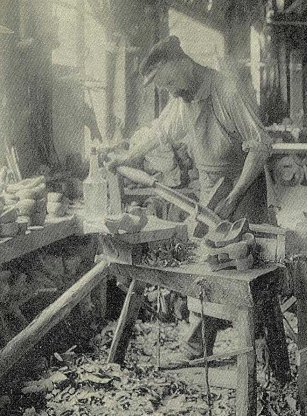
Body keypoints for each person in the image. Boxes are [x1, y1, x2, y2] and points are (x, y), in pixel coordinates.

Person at [107, 35, 276, 363]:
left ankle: (266, 351)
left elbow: (260, 146)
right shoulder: (183, 99)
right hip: (210, 190)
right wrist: (126, 158)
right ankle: (197, 350)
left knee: (251, 268)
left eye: (168, 80)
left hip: (244, 187)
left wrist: (235, 196)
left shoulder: (226, 89)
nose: (169, 90)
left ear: (182, 62)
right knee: (207, 265)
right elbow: (159, 132)